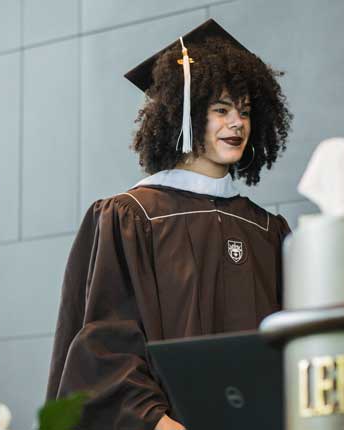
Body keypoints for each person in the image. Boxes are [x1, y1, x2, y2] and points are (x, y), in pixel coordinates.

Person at [45, 20, 292, 430]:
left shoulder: (267, 229)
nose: (237, 124)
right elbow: (105, 346)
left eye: (245, 112)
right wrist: (155, 421)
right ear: (184, 116)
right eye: (220, 110)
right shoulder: (131, 217)